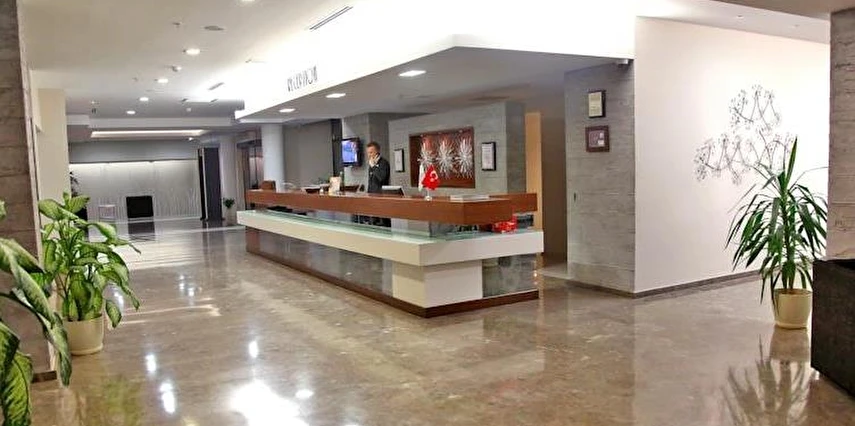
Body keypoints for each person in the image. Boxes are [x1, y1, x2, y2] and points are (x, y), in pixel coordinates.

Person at [364, 142, 391, 227]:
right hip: (372, 196)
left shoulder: (384, 163)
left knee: (383, 223)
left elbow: (381, 178)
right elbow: (371, 181)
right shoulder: (371, 163)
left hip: (381, 197)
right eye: (368, 153)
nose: (369, 155)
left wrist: (374, 167)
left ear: (377, 152)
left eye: (371, 152)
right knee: (373, 222)